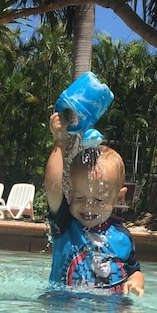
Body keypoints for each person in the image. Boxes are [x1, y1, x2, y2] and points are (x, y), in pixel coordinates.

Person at [44, 111, 145, 296]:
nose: (88, 206)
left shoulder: (122, 236)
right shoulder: (65, 225)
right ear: (69, 191)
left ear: (118, 199)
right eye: (80, 198)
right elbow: (53, 187)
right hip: (65, 311)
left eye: (98, 200)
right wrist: (60, 141)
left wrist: (135, 283)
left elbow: (135, 271)